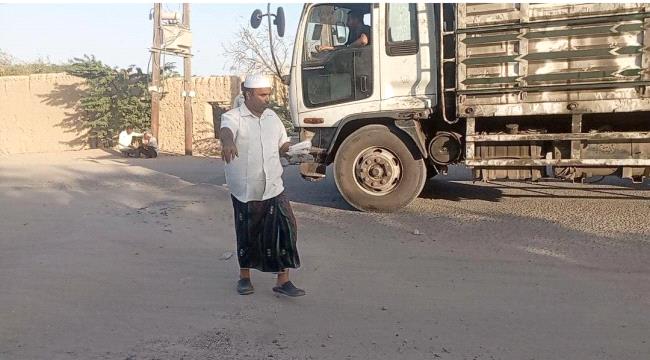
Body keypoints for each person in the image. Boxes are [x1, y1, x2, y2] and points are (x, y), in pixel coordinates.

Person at [220, 74, 305, 297]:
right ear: (248, 94)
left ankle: (283, 280)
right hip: (246, 187)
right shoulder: (233, 117)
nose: (267, 99)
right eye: (262, 94)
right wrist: (228, 142)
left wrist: (298, 150)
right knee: (248, 231)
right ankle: (244, 277)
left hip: (274, 185)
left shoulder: (272, 118)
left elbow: (282, 144)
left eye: (268, 94)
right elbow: (226, 132)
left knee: (286, 228)